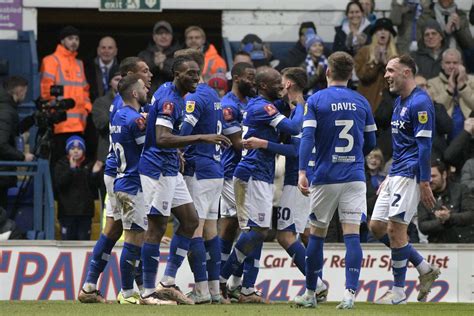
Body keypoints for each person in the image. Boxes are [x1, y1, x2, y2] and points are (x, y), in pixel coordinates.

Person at [139, 55, 231, 305]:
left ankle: (168, 281)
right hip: (157, 168)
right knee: (156, 228)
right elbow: (162, 138)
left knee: (190, 222)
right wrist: (201, 138)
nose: (196, 77)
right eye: (190, 73)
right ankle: (148, 291)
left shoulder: (173, 94)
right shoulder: (171, 100)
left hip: (171, 167)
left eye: (197, 72)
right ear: (176, 74)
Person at [295, 51, 376, 309]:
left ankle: (310, 293)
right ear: (350, 74)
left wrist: (302, 171)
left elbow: (307, 138)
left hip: (326, 175)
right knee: (352, 234)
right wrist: (354, 157)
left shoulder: (316, 100)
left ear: (328, 72)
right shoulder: (362, 101)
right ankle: (350, 294)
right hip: (354, 175)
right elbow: (371, 142)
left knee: (316, 234)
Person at [219, 67, 303, 303]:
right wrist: (300, 104)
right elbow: (294, 128)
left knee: (257, 231)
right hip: (250, 174)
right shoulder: (261, 107)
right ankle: (222, 279)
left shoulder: (268, 106)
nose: (282, 87)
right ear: (264, 86)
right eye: (277, 83)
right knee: (257, 230)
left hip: (262, 175)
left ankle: (244, 288)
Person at [78, 57, 152, 304]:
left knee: (113, 229)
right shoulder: (127, 111)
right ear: (130, 77)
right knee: (131, 231)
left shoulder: (119, 106)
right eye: (143, 74)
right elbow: (147, 145)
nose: (148, 77)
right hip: (125, 175)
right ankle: (133, 288)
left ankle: (90, 285)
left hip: (115, 171)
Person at [369, 55, 440, 304]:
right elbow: (402, 146)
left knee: (396, 230)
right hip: (396, 171)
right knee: (376, 226)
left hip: (410, 174)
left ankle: (398, 292)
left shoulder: (420, 102)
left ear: (406, 72)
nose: (386, 75)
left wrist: (423, 181)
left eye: (391, 70)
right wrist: (389, 175)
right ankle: (423, 267)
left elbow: (424, 147)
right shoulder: (400, 101)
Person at [174, 48, 226, 304]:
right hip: (216, 169)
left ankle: (202, 289)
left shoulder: (195, 96)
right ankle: (215, 290)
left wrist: (175, 147)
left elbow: (185, 129)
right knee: (211, 231)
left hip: (200, 169)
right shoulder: (214, 94)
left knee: (195, 229)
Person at [110, 75, 152, 304]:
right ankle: (126, 291)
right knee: (134, 240)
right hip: (134, 184)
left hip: (122, 181)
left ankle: (137, 288)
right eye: (143, 88)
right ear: (134, 94)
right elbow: (149, 148)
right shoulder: (136, 121)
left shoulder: (118, 115)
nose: (147, 90)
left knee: (136, 238)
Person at [218, 62, 256, 301]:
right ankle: (232, 282)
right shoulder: (228, 106)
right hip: (232, 173)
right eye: (249, 77)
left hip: (246, 173)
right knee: (250, 227)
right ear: (236, 77)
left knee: (232, 227)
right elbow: (238, 141)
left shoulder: (249, 103)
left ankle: (229, 283)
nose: (253, 81)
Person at [40, 26, 92, 165]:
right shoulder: (51, 60)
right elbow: (47, 91)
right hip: (60, 125)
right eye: (70, 38)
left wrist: (87, 108)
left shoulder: (79, 64)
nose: (74, 42)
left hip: (79, 125)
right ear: (62, 41)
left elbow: (85, 89)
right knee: (60, 164)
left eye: (76, 39)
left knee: (77, 165)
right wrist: (53, 112)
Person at [54, 136, 101, 240]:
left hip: (85, 213)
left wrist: (94, 174)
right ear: (68, 150)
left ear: (83, 150)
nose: (76, 151)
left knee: (83, 244)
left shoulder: (90, 164)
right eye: (72, 149)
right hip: (67, 213)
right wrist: (71, 169)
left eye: (79, 149)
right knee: (67, 244)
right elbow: (60, 184)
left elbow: (94, 188)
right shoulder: (61, 164)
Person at [418, 159, 474, 243]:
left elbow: (471, 215)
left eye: (433, 176)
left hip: (464, 244)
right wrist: (441, 221)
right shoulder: (424, 196)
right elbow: (423, 226)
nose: (430, 180)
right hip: (439, 247)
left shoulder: (461, 190)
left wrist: (450, 217)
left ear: (444, 174)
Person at [0, 76, 35, 210]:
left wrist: (31, 120)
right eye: (25, 92)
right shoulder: (6, 111)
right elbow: (1, 143)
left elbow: (9, 131)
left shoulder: (6, 108)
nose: (25, 95)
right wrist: (22, 157)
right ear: (19, 91)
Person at [427, 48, 474, 142]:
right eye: (448, 63)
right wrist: (449, 90)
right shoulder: (432, 83)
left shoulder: (472, 81)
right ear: (442, 65)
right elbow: (435, 111)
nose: (451, 66)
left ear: (461, 64)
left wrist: (463, 87)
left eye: (455, 63)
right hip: (445, 136)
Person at [355, 18, 398, 112]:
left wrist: (386, 65)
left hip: (388, 107)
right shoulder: (364, 52)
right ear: (375, 34)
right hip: (367, 103)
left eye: (386, 30)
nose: (382, 32)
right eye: (379, 30)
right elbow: (362, 76)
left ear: (390, 34)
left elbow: (397, 82)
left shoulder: (397, 57)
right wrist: (376, 63)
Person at [414, 75, 452, 158]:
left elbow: (447, 127)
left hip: (437, 156)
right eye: (421, 86)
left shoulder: (437, 107)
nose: (426, 89)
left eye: (427, 86)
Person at [91, 71, 121, 175]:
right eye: (117, 80)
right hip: (107, 155)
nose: (120, 83)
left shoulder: (135, 100)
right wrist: (120, 112)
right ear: (110, 83)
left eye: (123, 80)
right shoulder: (101, 102)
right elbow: (100, 123)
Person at [138, 20, 181, 92]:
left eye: (167, 33)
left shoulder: (179, 54)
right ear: (154, 37)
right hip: (148, 96)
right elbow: (138, 75)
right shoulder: (144, 55)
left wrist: (163, 65)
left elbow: (180, 75)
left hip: (173, 95)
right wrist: (154, 64)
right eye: (160, 33)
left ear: (171, 36)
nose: (163, 36)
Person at [84, 36, 119, 102]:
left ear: (116, 51)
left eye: (110, 48)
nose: (106, 51)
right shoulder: (87, 69)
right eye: (103, 48)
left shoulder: (121, 69)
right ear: (98, 50)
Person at [301, 28, 328, 94]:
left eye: (320, 45)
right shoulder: (303, 66)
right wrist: (317, 74)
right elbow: (304, 86)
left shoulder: (327, 62)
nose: (318, 48)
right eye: (314, 46)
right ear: (309, 49)